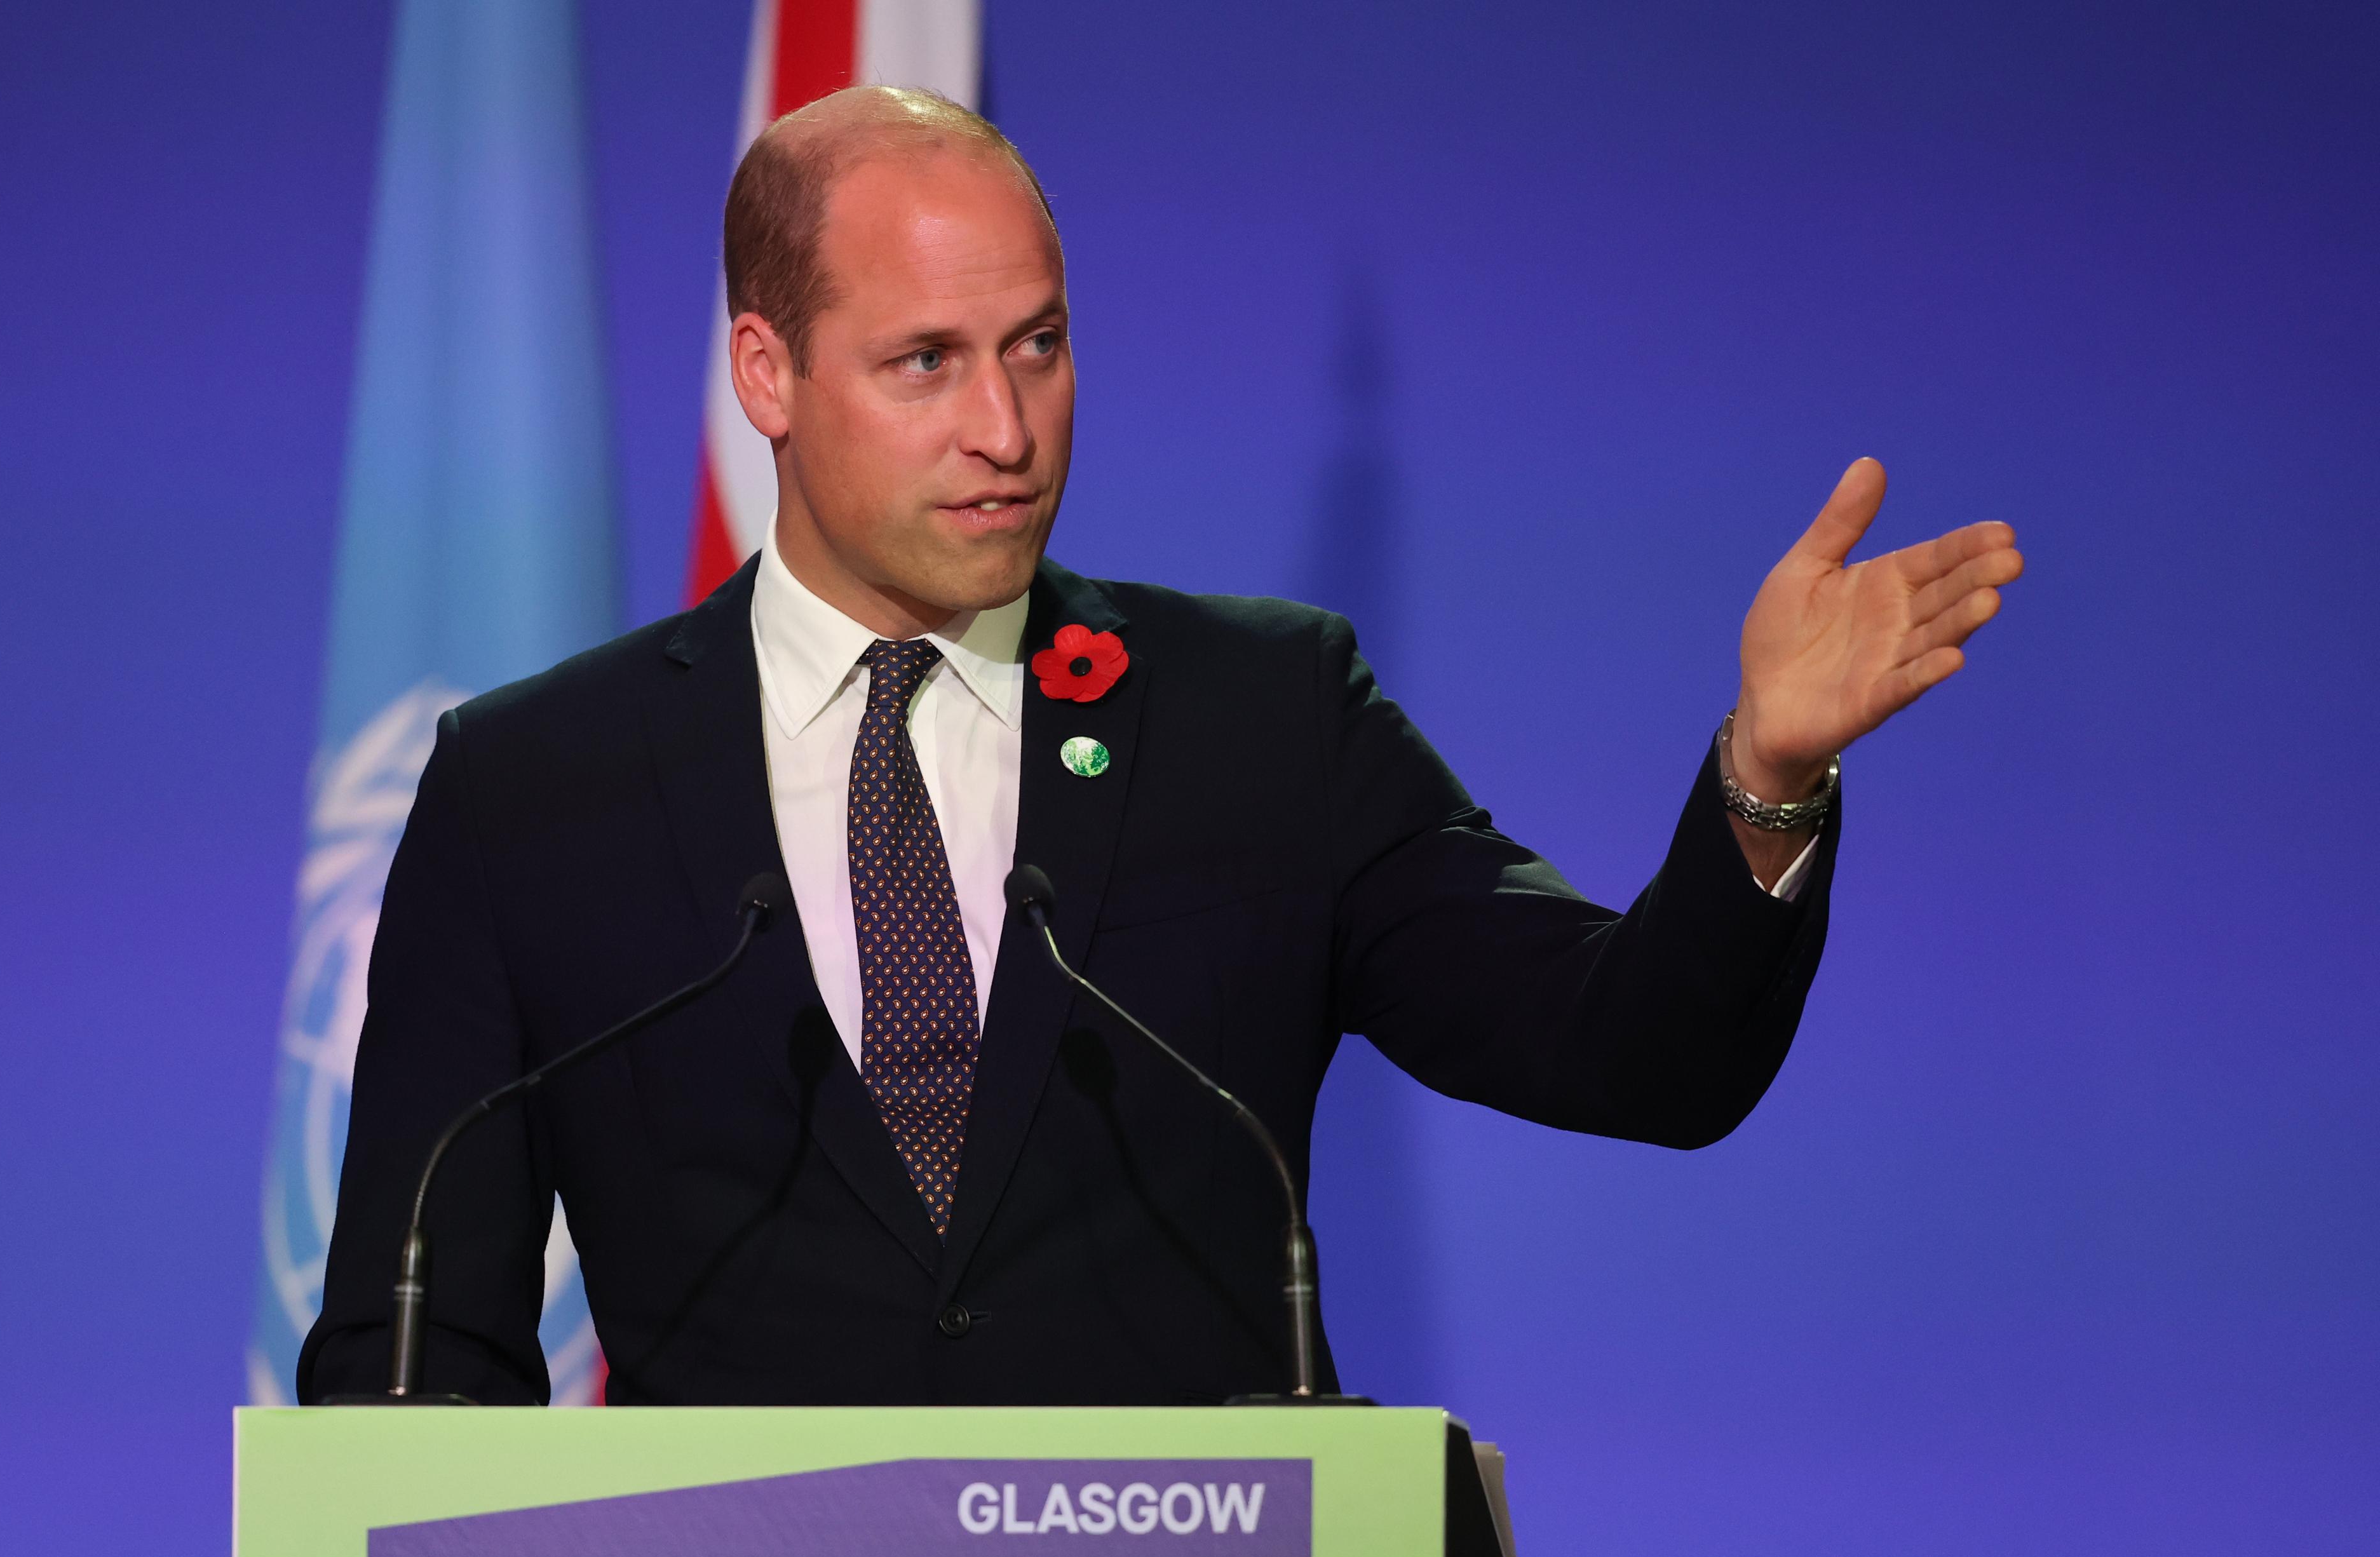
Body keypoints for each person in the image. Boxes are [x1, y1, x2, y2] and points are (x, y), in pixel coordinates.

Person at [297, 88, 2022, 1406]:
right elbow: (406, 1353)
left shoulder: (1259, 722)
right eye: (926, 362)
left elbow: (1638, 1054)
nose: (1005, 429)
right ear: (768, 371)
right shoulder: (539, 792)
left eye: (1038, 346)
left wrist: (1765, 780)